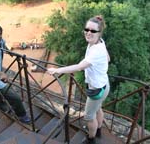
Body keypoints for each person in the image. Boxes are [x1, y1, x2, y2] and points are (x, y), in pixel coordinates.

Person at [47, 15, 110, 144]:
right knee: (98, 109)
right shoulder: (100, 42)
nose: (88, 33)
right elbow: (108, 58)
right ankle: (98, 130)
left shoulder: (96, 51)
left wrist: (57, 70)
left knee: (88, 116)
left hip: (97, 89)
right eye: (87, 29)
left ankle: (91, 139)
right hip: (104, 84)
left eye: (93, 31)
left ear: (99, 33)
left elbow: (79, 67)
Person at [0, 24, 31, 123]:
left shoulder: (0, 41)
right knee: (15, 98)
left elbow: (3, 46)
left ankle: (0, 106)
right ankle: (22, 115)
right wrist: (0, 74)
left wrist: (11, 53)